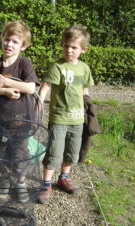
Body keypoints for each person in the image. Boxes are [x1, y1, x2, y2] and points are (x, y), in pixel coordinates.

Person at [0, 21, 40, 203]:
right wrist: (2, 91)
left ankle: (20, 183)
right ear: (1, 39)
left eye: (14, 42)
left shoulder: (24, 64)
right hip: (0, 120)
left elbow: (30, 88)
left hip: (22, 121)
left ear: (23, 46)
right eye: (6, 39)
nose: (9, 44)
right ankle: (5, 182)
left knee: (21, 153)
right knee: (2, 153)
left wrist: (6, 82)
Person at [37, 25, 94, 204]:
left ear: (83, 50)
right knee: (54, 151)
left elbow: (85, 90)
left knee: (71, 151)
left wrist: (90, 111)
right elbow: (45, 87)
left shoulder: (84, 69)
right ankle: (45, 184)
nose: (69, 50)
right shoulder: (57, 67)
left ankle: (63, 178)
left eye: (74, 47)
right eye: (65, 46)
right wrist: (38, 105)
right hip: (59, 119)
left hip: (77, 120)